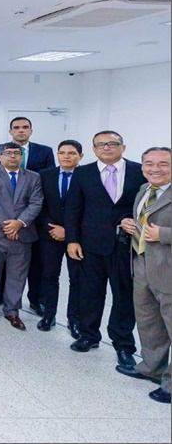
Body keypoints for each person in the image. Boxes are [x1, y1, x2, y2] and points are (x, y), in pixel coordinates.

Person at [66, 131, 146, 368]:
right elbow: (73, 208)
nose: (107, 148)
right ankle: (89, 335)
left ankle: (123, 345)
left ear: (123, 147)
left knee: (123, 295)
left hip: (125, 245)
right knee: (90, 293)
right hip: (90, 244)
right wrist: (72, 240)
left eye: (112, 143)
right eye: (101, 144)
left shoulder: (139, 171)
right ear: (93, 149)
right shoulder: (83, 173)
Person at [0, 116, 56, 316]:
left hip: (30, 221)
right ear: (10, 131)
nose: (21, 130)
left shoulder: (44, 152)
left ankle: (31, 301)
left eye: (25, 127)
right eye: (16, 127)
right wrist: (8, 224)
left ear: (31, 130)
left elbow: (46, 185)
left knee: (31, 267)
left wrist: (21, 222)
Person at [119, 147, 171, 405]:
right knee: (149, 322)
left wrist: (164, 234)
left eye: (163, 164)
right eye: (149, 163)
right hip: (141, 264)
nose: (155, 169)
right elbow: (143, 219)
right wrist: (128, 223)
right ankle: (151, 367)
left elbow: (159, 230)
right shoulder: (144, 189)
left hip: (168, 269)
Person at [0, 142, 43, 331]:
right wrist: (8, 225)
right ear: (0, 157)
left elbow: (36, 202)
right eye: (8, 153)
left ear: (22, 157)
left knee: (18, 275)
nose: (13, 156)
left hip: (22, 234)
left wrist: (19, 223)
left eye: (17, 153)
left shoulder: (33, 177)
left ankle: (12, 311)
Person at [35, 140, 84, 334]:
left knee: (77, 279)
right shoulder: (44, 175)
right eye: (62, 152)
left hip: (78, 237)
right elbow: (38, 205)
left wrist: (68, 231)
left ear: (80, 156)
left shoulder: (88, 175)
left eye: (71, 153)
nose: (66, 156)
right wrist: (52, 228)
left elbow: (91, 208)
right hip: (50, 235)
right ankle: (48, 315)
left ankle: (75, 320)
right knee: (49, 276)